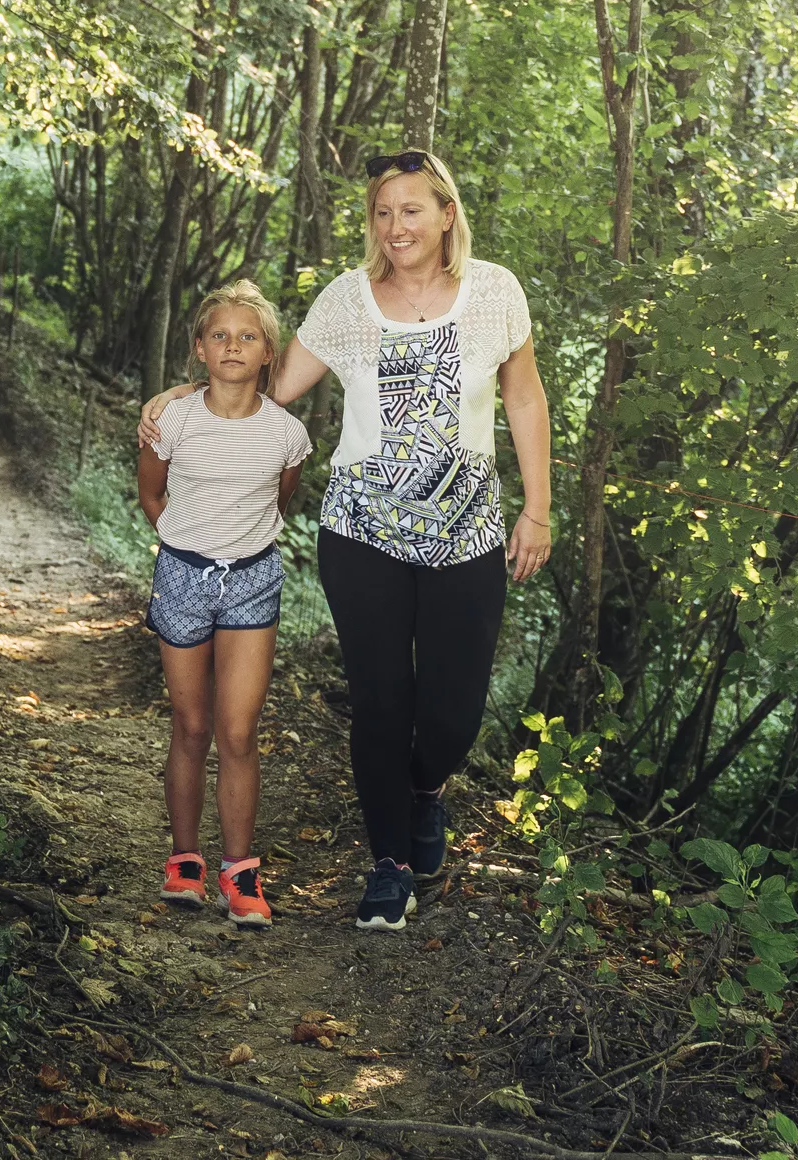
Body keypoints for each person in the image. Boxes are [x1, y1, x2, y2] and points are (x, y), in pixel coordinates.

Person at [145, 150, 550, 931]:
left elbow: (524, 396)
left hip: (468, 534)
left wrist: (537, 509)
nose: (395, 226)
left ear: (446, 215)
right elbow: (264, 385)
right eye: (382, 213)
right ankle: (389, 865)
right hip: (361, 533)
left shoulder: (496, 293)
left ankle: (425, 790)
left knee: (452, 715)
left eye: (411, 210)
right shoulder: (346, 300)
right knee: (380, 702)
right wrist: (181, 395)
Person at [139, 279, 314, 928]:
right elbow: (151, 496)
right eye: (220, 335)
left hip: (252, 582)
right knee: (190, 726)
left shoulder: (286, 434)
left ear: (269, 353)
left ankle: (239, 874)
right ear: (199, 350)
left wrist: (237, 548)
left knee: (238, 732)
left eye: (247, 336)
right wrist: (186, 545)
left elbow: (279, 501)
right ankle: (183, 858)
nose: (233, 345)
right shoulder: (172, 421)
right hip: (182, 577)